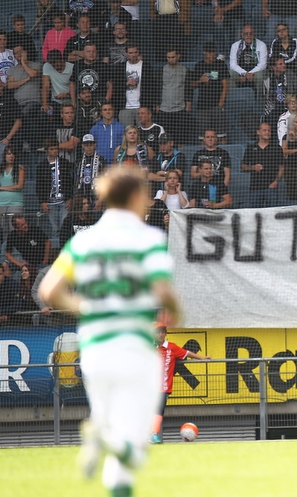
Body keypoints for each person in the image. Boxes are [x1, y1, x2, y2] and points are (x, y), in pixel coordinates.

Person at [38, 166, 182, 494]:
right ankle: (111, 440)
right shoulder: (148, 239)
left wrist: (86, 307)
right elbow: (163, 291)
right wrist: (174, 310)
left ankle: (103, 432)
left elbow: (49, 291)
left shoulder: (85, 240)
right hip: (134, 346)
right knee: (137, 434)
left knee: (112, 423)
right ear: (134, 197)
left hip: (96, 347)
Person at [151, 322, 210, 444]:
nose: (160, 334)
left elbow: (186, 353)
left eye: (163, 332)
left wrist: (202, 358)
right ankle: (150, 434)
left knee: (158, 411)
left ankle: (153, 434)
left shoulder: (172, 347)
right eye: (158, 332)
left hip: (163, 387)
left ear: (165, 334)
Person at [242, 122, 285, 208]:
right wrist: (253, 168)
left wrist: (276, 182)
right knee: (255, 214)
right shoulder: (250, 148)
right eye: (264, 130)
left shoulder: (277, 148)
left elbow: (282, 168)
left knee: (272, 213)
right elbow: (243, 167)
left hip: (271, 188)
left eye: (269, 130)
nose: (267, 132)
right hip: (255, 188)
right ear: (258, 132)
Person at [0, 145, 25, 235]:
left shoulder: (21, 168)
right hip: (0, 204)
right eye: (9, 154)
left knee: (15, 230)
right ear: (4, 155)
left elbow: (20, 186)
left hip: (16, 203)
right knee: (5, 231)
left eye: (13, 154)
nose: (11, 156)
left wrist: (3, 188)